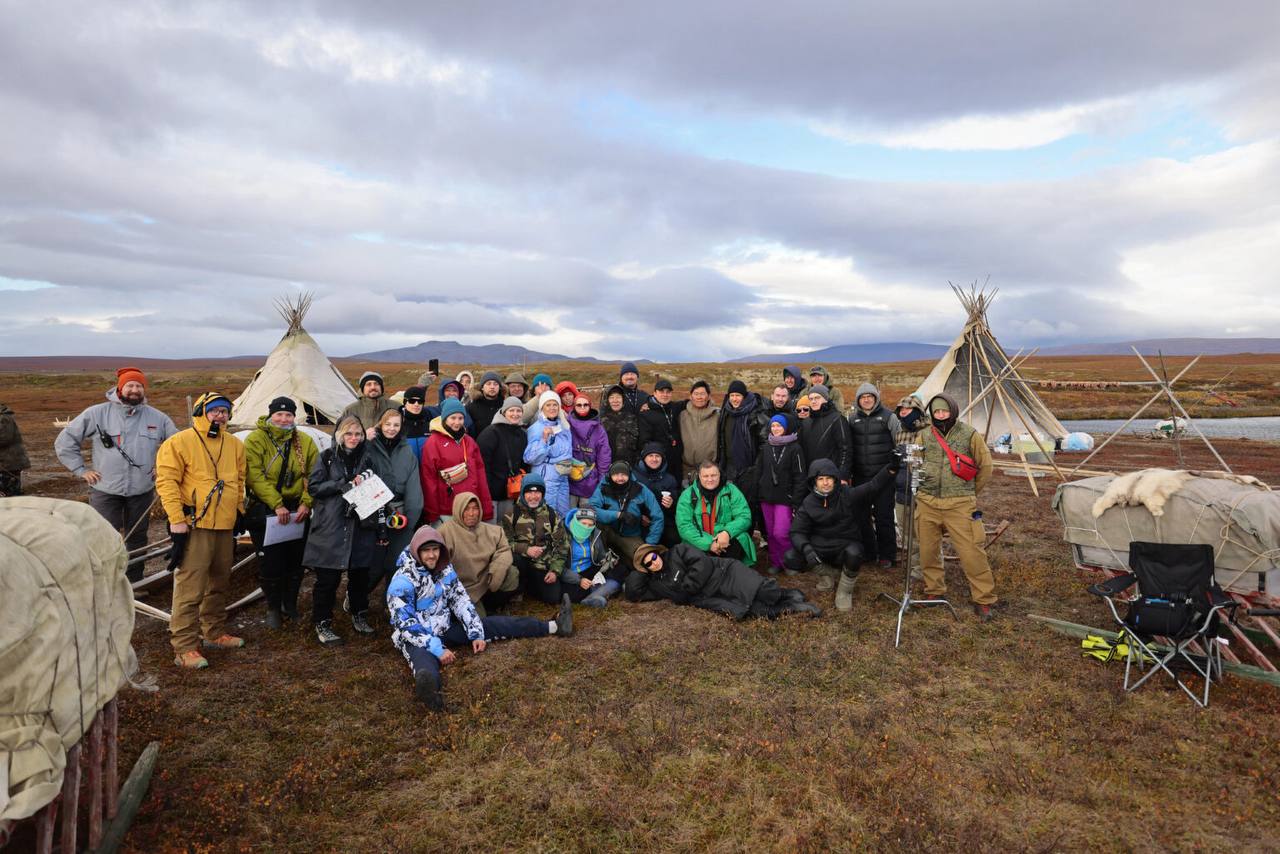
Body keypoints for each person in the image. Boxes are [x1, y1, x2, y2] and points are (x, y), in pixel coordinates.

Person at [388, 525, 572, 710]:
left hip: (444, 627)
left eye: (435, 549)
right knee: (424, 661)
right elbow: (405, 624)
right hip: (415, 637)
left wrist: (475, 632)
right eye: (426, 551)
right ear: (416, 551)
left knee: (492, 624)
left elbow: (459, 599)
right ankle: (431, 696)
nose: (431, 555)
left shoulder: (444, 568)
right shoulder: (402, 581)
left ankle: (553, 626)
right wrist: (437, 649)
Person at [54, 367, 178, 577]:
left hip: (142, 489)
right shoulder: (96, 413)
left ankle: (133, 581)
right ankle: (104, 581)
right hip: (105, 489)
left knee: (137, 536)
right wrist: (81, 469)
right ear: (120, 388)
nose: (134, 390)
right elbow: (65, 442)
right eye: (130, 385)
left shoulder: (158, 418)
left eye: (139, 386)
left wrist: (163, 468)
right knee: (102, 535)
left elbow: (176, 446)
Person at [154, 392, 246, 668]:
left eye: (225, 411)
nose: (220, 415)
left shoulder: (234, 445)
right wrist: (176, 519)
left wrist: (239, 510)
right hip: (195, 524)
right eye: (215, 410)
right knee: (190, 588)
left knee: (219, 582)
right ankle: (184, 646)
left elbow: (239, 480)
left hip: (225, 524)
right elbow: (167, 482)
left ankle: (214, 632)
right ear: (201, 412)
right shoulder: (179, 443)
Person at [915, 393, 998, 621]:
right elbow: (915, 464)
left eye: (944, 411)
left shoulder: (968, 434)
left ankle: (984, 599)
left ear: (953, 410)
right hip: (928, 502)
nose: (941, 415)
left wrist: (969, 492)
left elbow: (986, 466)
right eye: (937, 412)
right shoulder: (924, 435)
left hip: (960, 505)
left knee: (972, 552)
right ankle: (934, 591)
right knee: (928, 551)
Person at [243, 396, 318, 628]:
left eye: (288, 415)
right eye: (279, 414)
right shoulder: (256, 440)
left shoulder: (304, 441)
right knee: (271, 562)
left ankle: (290, 604)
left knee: (296, 561)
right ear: (271, 415)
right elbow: (254, 475)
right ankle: (273, 608)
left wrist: (307, 502)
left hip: (297, 509)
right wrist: (276, 503)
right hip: (266, 508)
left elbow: (314, 475)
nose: (284, 419)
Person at [303, 415, 379, 644]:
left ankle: (359, 614)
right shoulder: (326, 458)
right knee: (328, 578)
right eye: (349, 434)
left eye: (358, 434)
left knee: (360, 575)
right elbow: (314, 487)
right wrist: (342, 484)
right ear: (339, 435)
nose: (353, 438)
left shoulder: (368, 458)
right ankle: (322, 621)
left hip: (360, 524)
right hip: (332, 524)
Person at [786, 457, 897, 610]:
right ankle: (827, 576)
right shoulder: (808, 503)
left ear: (835, 480)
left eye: (829, 479)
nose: (825, 483)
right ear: (814, 482)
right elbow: (797, 532)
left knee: (855, 553)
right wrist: (807, 549)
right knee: (791, 557)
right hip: (820, 548)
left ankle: (844, 591)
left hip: (844, 546)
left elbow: (873, 486)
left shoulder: (847, 495)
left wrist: (892, 468)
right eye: (821, 479)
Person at [626, 543, 821, 620]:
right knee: (757, 611)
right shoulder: (656, 584)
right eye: (647, 564)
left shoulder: (677, 551)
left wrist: (687, 588)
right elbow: (634, 592)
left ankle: (785, 594)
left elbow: (702, 564)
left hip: (723, 573)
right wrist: (640, 571)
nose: (653, 562)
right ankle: (796, 608)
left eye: (652, 557)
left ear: (657, 552)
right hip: (711, 597)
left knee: (763, 591)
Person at [365, 408, 425, 602]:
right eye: (388, 424)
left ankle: (391, 602)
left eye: (396, 425)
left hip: (399, 514)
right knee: (372, 562)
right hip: (372, 513)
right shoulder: (369, 447)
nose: (392, 428)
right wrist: (364, 441)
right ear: (380, 425)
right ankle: (358, 598)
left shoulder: (407, 452)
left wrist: (410, 517)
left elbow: (414, 488)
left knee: (396, 562)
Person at [438, 492, 519, 615]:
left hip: (486, 581)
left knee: (512, 574)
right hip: (464, 589)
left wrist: (498, 568)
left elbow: (504, 549)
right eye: (466, 509)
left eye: (475, 508)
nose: (471, 513)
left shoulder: (491, 530)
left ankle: (495, 605)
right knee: (480, 623)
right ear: (458, 509)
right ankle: (484, 609)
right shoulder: (445, 532)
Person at [848, 382, 901, 569]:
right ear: (858, 400)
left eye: (870, 396)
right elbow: (850, 448)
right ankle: (869, 552)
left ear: (876, 398)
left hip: (884, 476)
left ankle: (887, 555)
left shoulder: (889, 417)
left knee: (883, 516)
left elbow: (899, 444)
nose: (867, 399)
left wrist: (894, 469)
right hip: (861, 476)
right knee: (861, 517)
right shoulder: (852, 419)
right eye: (863, 397)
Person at [502, 474, 571, 604]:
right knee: (515, 560)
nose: (533, 496)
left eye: (537, 492)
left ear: (542, 493)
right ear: (522, 493)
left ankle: (529, 587)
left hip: (542, 565)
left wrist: (555, 571)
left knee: (553, 598)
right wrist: (526, 549)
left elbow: (562, 546)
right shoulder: (511, 514)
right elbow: (503, 543)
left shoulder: (552, 515)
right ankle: (518, 587)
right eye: (529, 492)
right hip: (521, 562)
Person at [421, 398, 492, 525]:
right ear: (445, 418)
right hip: (447, 509)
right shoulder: (433, 443)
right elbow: (429, 479)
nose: (457, 422)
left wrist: (485, 508)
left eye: (460, 418)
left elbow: (480, 476)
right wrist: (432, 513)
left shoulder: (469, 441)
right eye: (453, 418)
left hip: (470, 507)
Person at [753, 413, 806, 575]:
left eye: (779, 426)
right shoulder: (766, 447)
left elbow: (800, 476)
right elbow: (758, 471)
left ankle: (790, 562)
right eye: (773, 426)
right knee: (770, 533)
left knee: (781, 533)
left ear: (786, 428)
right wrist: (758, 490)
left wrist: (796, 499)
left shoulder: (795, 448)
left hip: (785, 499)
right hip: (766, 497)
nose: (776, 429)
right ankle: (776, 561)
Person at [675, 461, 755, 563]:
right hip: (700, 540)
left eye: (714, 475)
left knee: (741, 537)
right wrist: (709, 543)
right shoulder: (687, 495)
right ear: (699, 476)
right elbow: (684, 526)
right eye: (705, 476)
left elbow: (744, 516)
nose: (710, 479)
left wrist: (727, 532)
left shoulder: (731, 490)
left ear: (719, 475)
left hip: (725, 540)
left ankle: (731, 571)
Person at [589, 460, 663, 566]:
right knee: (596, 527)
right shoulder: (603, 488)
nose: (620, 478)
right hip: (608, 530)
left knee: (644, 560)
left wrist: (650, 543)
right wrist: (617, 515)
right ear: (610, 475)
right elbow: (592, 510)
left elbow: (658, 516)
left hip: (631, 535)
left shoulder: (641, 489)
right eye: (616, 474)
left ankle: (621, 558)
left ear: (629, 474)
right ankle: (600, 559)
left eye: (623, 474)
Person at [476, 397, 528, 523]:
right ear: (504, 412)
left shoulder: (522, 433)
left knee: (506, 529)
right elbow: (482, 464)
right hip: (492, 493)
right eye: (511, 410)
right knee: (490, 531)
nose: (515, 414)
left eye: (518, 411)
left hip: (510, 492)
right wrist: (486, 491)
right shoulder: (491, 433)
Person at [893, 393, 928, 571]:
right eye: (901, 410)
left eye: (908, 409)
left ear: (917, 411)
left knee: (925, 533)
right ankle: (915, 568)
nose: (904, 412)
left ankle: (928, 569)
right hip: (902, 489)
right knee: (906, 532)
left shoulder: (929, 432)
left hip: (922, 492)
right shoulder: (899, 433)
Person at [524, 391, 573, 516]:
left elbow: (567, 452)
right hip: (546, 478)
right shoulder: (536, 428)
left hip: (563, 477)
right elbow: (529, 458)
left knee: (562, 515)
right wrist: (544, 439)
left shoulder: (564, 426)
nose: (552, 408)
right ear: (542, 408)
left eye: (555, 404)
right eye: (548, 405)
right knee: (546, 516)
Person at [561, 506, 621, 608]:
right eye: (583, 523)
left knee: (620, 570)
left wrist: (605, 565)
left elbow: (601, 556)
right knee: (571, 592)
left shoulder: (595, 534)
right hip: (571, 575)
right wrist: (579, 580)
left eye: (590, 525)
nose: (586, 528)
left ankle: (593, 596)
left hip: (589, 570)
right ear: (576, 521)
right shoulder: (562, 534)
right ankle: (599, 593)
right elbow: (558, 567)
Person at [716, 380, 768, 491]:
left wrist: (755, 467)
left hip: (748, 468)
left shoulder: (756, 413)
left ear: (744, 396)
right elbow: (722, 439)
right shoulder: (726, 412)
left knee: (746, 502)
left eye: (738, 395)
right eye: (732, 395)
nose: (734, 399)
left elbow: (764, 444)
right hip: (728, 466)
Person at [631, 442, 680, 547]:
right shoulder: (634, 476)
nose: (654, 459)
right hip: (639, 522)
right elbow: (627, 501)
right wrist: (639, 517)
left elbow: (676, 505)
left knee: (673, 538)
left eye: (657, 456)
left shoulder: (669, 479)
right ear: (644, 458)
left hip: (663, 521)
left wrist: (671, 504)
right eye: (650, 456)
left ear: (662, 459)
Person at [637, 378, 685, 485]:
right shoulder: (646, 413)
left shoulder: (675, 407)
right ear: (654, 393)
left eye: (668, 392)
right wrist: (656, 458)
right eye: (661, 392)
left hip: (677, 460)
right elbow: (644, 441)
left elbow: (692, 402)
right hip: (659, 463)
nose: (665, 395)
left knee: (676, 490)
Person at [568, 392, 611, 508]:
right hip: (568, 478)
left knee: (586, 517)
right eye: (579, 405)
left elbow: (604, 456)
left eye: (585, 405)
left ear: (590, 406)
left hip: (590, 480)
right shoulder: (566, 424)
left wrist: (602, 480)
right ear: (574, 407)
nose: (582, 407)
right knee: (567, 515)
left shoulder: (599, 429)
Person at [799, 385, 851, 481]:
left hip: (831, 477)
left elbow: (845, 450)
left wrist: (843, 476)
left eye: (817, 398)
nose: (813, 401)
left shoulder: (837, 419)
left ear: (826, 399)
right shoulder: (806, 422)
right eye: (811, 399)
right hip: (811, 476)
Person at [679, 380, 719, 486]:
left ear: (708, 396)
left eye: (702, 394)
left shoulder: (718, 416)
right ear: (691, 396)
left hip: (710, 471)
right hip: (686, 470)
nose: (699, 397)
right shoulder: (682, 415)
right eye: (696, 394)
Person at [340, 371, 397, 437]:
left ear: (381, 387)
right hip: (361, 447)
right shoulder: (350, 410)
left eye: (376, 384)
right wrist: (363, 437)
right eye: (368, 384)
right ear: (362, 389)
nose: (373, 387)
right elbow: (341, 436)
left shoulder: (396, 407)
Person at [599, 383, 641, 469]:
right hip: (606, 466)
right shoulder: (599, 421)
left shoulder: (632, 418)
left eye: (618, 397)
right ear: (606, 400)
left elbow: (639, 442)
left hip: (630, 466)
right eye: (611, 397)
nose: (615, 400)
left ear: (623, 400)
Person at [0, 399, 30, 497]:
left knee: (10, 497)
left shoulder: (4, 418)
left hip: (9, 464)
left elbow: (4, 438)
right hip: (6, 463)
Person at [399, 386, 431, 462]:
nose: (416, 404)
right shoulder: (397, 424)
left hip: (427, 470)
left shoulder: (430, 423)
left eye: (420, 401)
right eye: (412, 401)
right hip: (407, 471)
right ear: (405, 402)